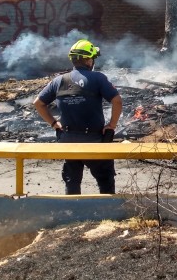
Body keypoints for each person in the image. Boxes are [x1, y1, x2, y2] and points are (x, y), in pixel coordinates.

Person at [33, 39, 123, 194]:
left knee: (72, 180)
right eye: (93, 58)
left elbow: (38, 103)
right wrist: (112, 125)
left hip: (68, 140)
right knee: (105, 179)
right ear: (88, 59)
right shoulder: (98, 78)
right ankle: (108, 211)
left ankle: (72, 211)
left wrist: (54, 123)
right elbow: (117, 101)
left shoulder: (59, 80)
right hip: (94, 140)